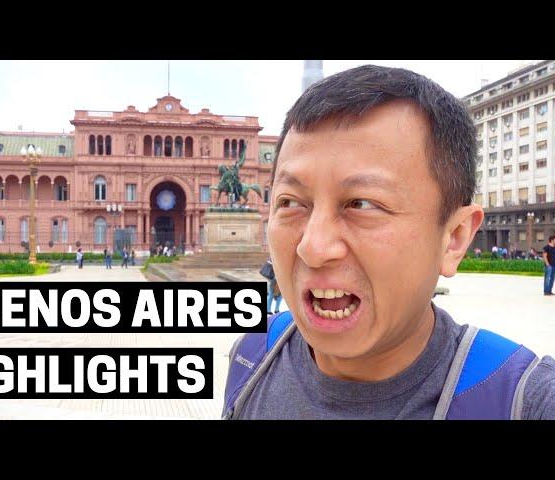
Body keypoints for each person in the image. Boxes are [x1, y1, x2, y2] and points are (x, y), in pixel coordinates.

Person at [222, 65, 555, 420]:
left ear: (454, 238)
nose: (313, 247)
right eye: (290, 202)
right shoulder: (252, 355)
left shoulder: (523, 401)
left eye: (362, 204)